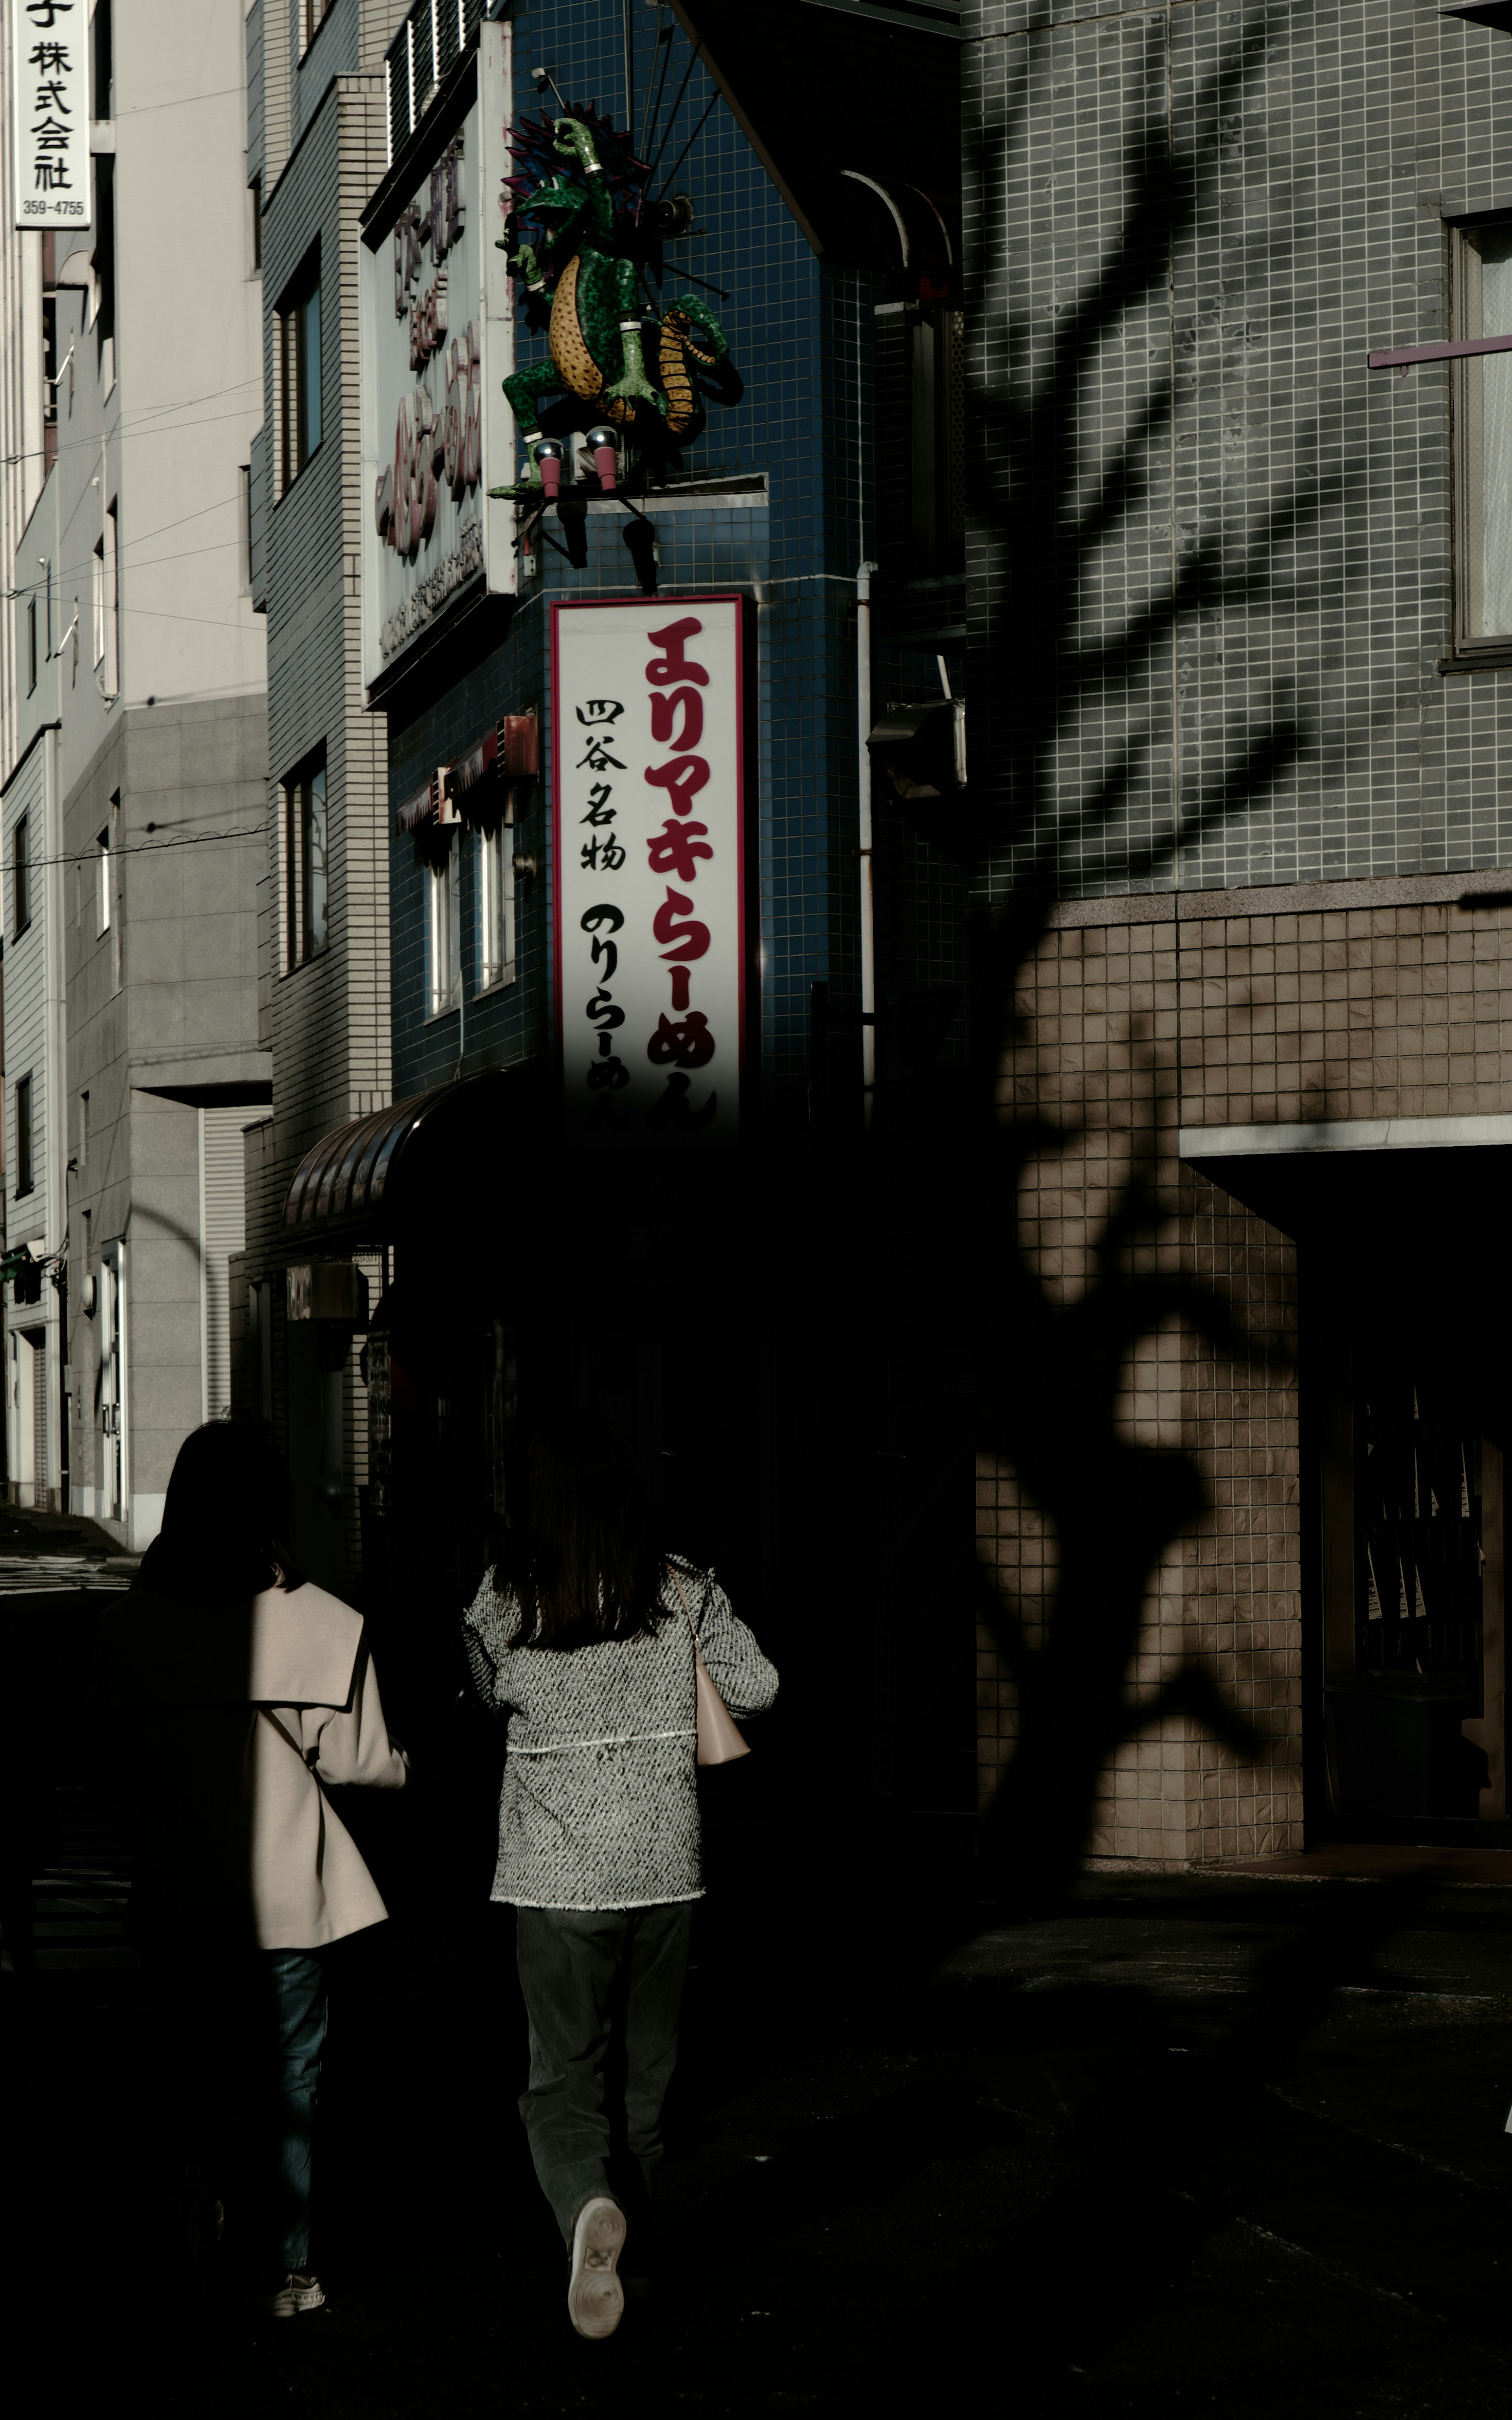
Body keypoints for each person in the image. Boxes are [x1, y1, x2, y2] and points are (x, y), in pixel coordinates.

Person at [463, 1415, 778, 2341]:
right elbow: (759, 1687)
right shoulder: (680, 1588)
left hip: (556, 1876)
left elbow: (486, 1694)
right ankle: (622, 2266)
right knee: (646, 2085)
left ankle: (587, 2210)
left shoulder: (505, 1596)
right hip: (665, 1865)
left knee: (563, 2080)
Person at [96, 1421, 408, 2318]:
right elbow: (361, 1764)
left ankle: (195, 2216)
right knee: (291, 2079)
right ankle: (290, 2268)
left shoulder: (128, 1628)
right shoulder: (328, 1625)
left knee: (188, 2072)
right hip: (290, 1899)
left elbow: (110, 1745)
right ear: (273, 1509)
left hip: (175, 1886)